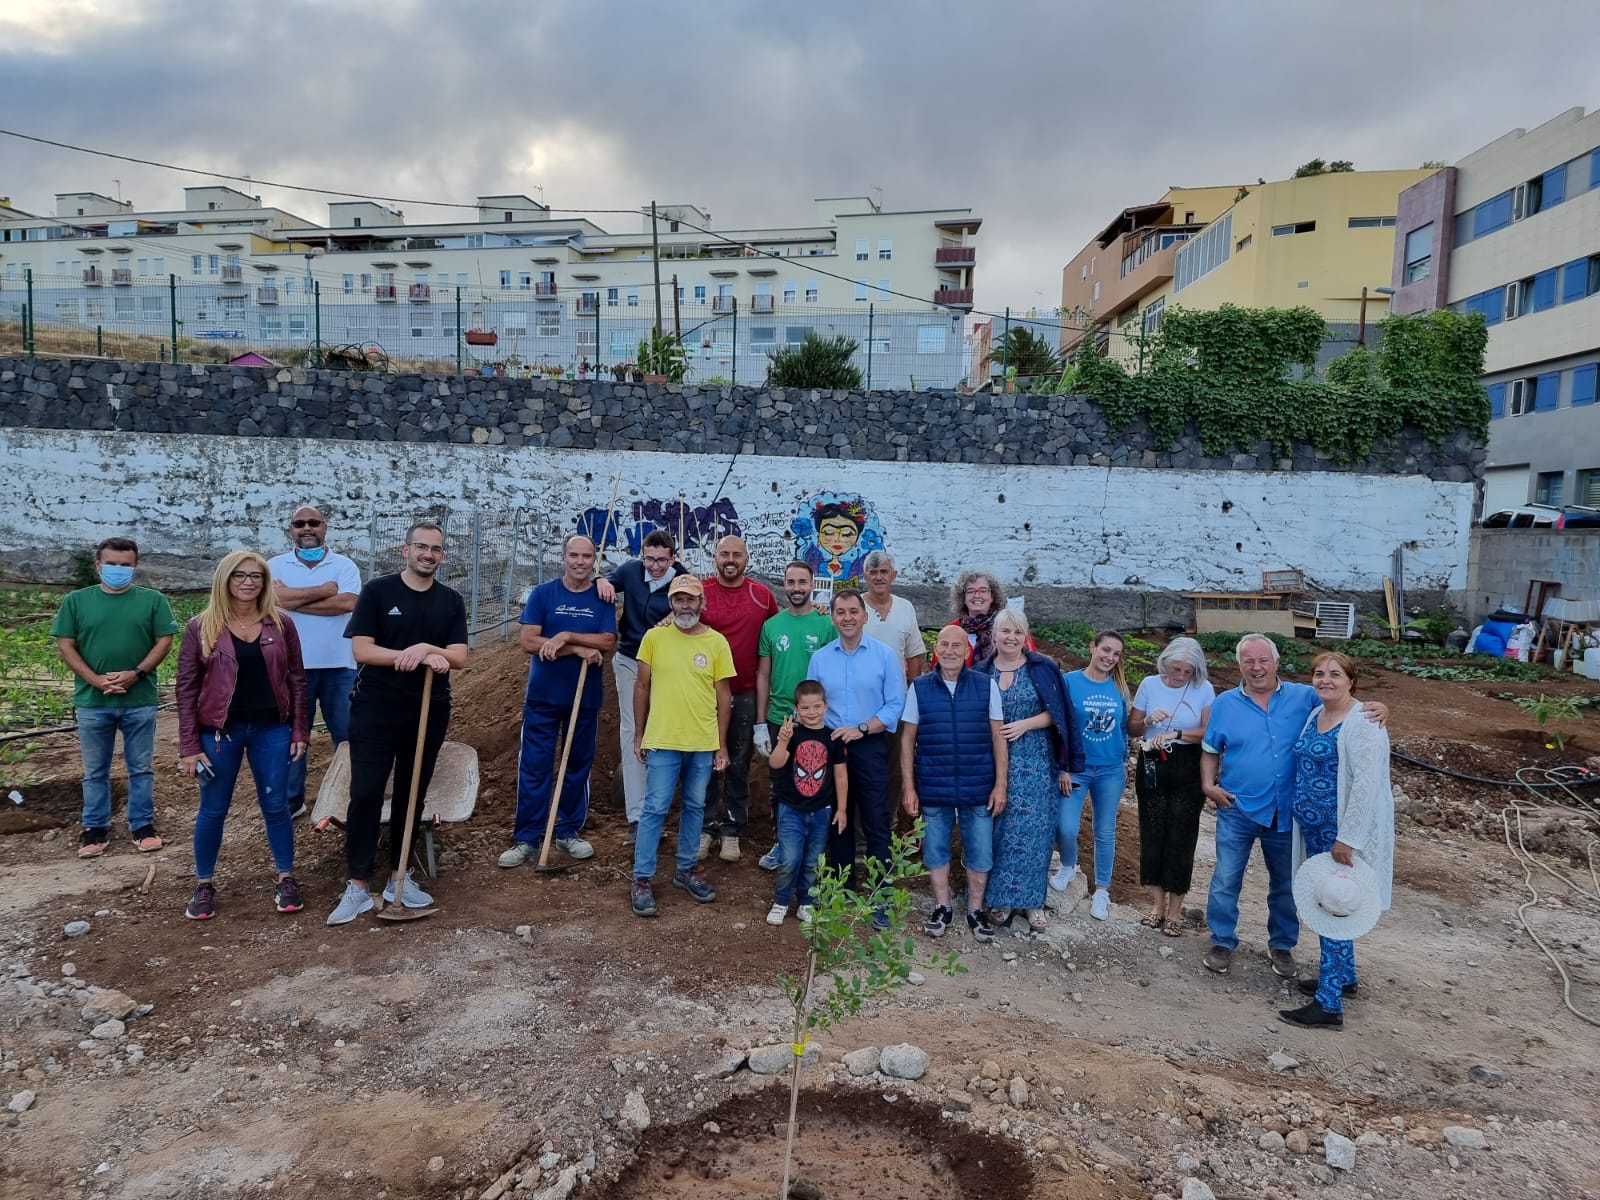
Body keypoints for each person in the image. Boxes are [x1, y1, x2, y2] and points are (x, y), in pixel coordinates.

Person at [1200, 634, 1386, 978]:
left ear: (1276, 662)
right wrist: (1208, 785)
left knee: (1285, 882)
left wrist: (1378, 708)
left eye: (1263, 660)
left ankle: (1282, 945)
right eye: (1248, 661)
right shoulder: (1225, 703)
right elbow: (1211, 748)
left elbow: (1342, 700)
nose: (1256, 668)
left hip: (1286, 812)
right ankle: (1222, 940)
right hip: (1238, 807)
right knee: (1226, 878)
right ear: (1239, 665)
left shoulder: (1304, 696)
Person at [327, 522, 469, 926]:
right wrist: (415, 656)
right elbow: (362, 648)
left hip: (428, 708)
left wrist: (427, 649)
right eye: (421, 547)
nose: (428, 554)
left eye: (436, 549)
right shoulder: (377, 591)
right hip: (375, 707)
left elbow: (459, 655)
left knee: (413, 794)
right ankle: (357, 885)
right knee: (368, 792)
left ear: (442, 556)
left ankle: (398, 879)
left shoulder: (450, 600)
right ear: (404, 550)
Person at [176, 551, 309, 920]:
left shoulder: (281, 625)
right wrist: (189, 746)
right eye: (239, 575)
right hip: (220, 734)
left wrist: (300, 729)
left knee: (276, 806)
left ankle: (286, 878)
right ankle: (204, 884)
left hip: (272, 729)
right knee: (213, 809)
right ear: (225, 580)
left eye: (257, 576)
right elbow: (186, 690)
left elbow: (297, 680)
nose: (248, 582)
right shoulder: (200, 627)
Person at [1279, 652, 1395, 1029]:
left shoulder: (1364, 722)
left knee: (1332, 906)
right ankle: (1344, 977)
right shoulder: (1317, 715)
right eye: (1318, 673)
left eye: (1334, 674)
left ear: (1351, 680)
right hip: (1314, 830)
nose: (1325, 680)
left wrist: (1348, 838)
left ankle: (1328, 1004)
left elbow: (1365, 785)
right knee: (1328, 898)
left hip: (1338, 834)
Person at [51, 536, 178, 859]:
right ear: (98, 565)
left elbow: (164, 640)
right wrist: (94, 680)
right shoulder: (77, 602)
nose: (118, 570)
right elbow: (66, 644)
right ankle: (94, 828)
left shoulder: (152, 601)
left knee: (141, 767)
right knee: (95, 770)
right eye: (112, 564)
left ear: (134, 567)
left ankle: (142, 825)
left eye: (126, 565)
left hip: (139, 699)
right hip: (93, 702)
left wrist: (136, 673)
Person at [500, 534, 618, 868]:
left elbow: (608, 641)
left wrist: (566, 635)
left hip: (585, 698)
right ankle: (527, 837)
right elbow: (528, 640)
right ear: (563, 556)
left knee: (576, 765)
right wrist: (577, 649)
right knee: (534, 767)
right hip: (543, 697)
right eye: (574, 555)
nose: (580, 562)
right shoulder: (543, 594)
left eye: (587, 556)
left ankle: (567, 830)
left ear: (595, 560)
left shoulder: (602, 597)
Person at [630, 575, 733, 917]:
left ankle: (686, 869)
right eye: (678, 599)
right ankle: (642, 878)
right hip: (663, 739)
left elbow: (723, 696)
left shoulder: (717, 643)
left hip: (702, 742)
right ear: (670, 603)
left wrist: (721, 746)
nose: (684, 605)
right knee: (655, 807)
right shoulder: (654, 638)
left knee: (694, 806)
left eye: (690, 600)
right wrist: (639, 733)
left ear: (701, 603)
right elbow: (642, 686)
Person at [804, 588, 906, 928]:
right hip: (831, 747)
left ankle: (881, 896)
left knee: (876, 820)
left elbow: (895, 703)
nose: (847, 617)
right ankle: (841, 888)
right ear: (832, 617)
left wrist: (862, 728)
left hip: (870, 745)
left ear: (864, 616)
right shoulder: (820, 658)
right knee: (836, 818)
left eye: (853, 611)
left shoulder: (885, 655)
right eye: (840, 612)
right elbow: (812, 702)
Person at [975, 608, 1080, 931]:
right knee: (1000, 831)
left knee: (1035, 831)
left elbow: (1059, 713)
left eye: (1017, 632)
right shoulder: (982, 671)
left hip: (1035, 761)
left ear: (1025, 637)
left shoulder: (1042, 668)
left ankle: (1033, 902)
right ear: (994, 635)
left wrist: (1025, 724)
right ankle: (1002, 900)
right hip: (993, 762)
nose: (1011, 638)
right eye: (1005, 631)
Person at [902, 625, 1008, 942]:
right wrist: (909, 787)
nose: (949, 651)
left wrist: (1000, 785)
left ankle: (975, 910)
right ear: (936, 650)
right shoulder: (919, 687)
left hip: (978, 787)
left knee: (980, 851)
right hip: (933, 786)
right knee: (935, 850)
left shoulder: (986, 686)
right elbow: (907, 741)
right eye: (943, 645)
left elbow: (998, 739)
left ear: (967, 651)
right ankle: (943, 906)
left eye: (956, 646)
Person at [268, 504, 361, 819]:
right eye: (299, 523)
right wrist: (323, 591)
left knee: (347, 736)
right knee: (293, 737)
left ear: (325, 527)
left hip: (340, 667)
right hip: (291, 669)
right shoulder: (273, 565)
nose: (306, 528)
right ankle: (292, 802)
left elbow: (347, 603)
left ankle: (349, 796)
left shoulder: (345, 565)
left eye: (313, 523)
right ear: (290, 528)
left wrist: (292, 600)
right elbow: (270, 601)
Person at [598, 529, 687, 843]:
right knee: (631, 729)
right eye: (649, 559)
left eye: (662, 560)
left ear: (673, 558)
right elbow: (606, 580)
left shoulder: (681, 580)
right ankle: (637, 816)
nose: (655, 566)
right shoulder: (630, 572)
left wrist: (676, 617)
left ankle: (658, 810)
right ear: (642, 556)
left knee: (660, 732)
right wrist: (603, 582)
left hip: (665, 665)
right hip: (630, 659)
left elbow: (699, 608)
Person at [699, 535, 779, 863]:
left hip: (745, 691)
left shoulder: (762, 596)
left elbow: (779, 628)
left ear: (747, 558)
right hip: (703, 693)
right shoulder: (699, 593)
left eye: (737, 554)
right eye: (724, 554)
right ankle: (705, 827)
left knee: (739, 761)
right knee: (703, 762)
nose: (730, 560)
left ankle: (732, 829)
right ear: (714, 557)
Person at [1129, 637, 1216, 935]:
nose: (1180, 676)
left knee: (1182, 836)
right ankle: (1156, 906)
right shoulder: (1150, 685)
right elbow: (1132, 727)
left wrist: (1177, 732)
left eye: (1187, 671)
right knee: (1152, 831)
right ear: (1165, 663)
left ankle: (1176, 911)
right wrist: (1150, 721)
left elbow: (1209, 732)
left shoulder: (1204, 689)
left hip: (1187, 762)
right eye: (1175, 669)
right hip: (1152, 760)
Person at [753, 560, 837, 870]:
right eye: (791, 582)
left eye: (803, 582)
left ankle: (817, 845)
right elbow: (763, 675)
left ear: (812, 585)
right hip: (780, 717)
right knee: (781, 782)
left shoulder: (826, 624)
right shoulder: (772, 626)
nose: (797, 588)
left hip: (815, 719)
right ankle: (782, 842)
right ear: (784, 585)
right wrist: (761, 722)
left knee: (818, 780)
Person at [1057, 630, 1131, 921]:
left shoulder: (1120, 687)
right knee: (1066, 827)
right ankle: (1068, 865)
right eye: (1106, 650)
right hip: (1076, 768)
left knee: (1105, 830)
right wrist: (1062, 766)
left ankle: (1102, 890)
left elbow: (1124, 728)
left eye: (1116, 654)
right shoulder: (1069, 682)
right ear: (1092, 647)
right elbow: (1059, 727)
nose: (1110, 658)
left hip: (1110, 769)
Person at [764, 679, 847, 926]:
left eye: (817, 706)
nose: (812, 713)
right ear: (796, 709)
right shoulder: (792, 735)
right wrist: (782, 740)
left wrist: (841, 808)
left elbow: (841, 775)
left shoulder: (833, 737)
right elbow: (775, 763)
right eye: (805, 708)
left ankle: (806, 902)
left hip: (822, 810)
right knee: (789, 859)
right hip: (791, 809)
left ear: (826, 705)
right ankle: (780, 901)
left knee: (813, 861)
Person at [950, 569, 1007, 664]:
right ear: (963, 598)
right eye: (970, 591)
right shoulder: (952, 629)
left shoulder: (1008, 626)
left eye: (983, 591)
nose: (977, 595)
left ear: (992, 596)